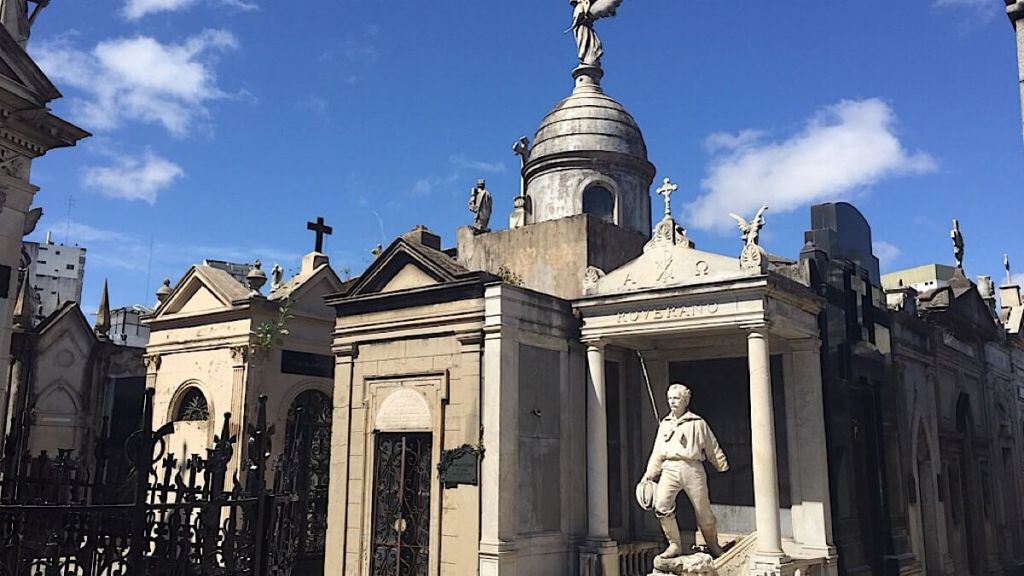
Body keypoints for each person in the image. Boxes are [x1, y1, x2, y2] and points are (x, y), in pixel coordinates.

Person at [643, 383, 728, 558]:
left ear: (685, 400)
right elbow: (657, 452)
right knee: (661, 506)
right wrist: (649, 474)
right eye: (670, 399)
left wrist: (722, 466)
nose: (672, 402)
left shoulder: (698, 423)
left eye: (676, 398)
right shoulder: (665, 424)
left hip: (692, 468)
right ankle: (674, 544)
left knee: (703, 511)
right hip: (670, 468)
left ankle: (713, 544)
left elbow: (712, 446)